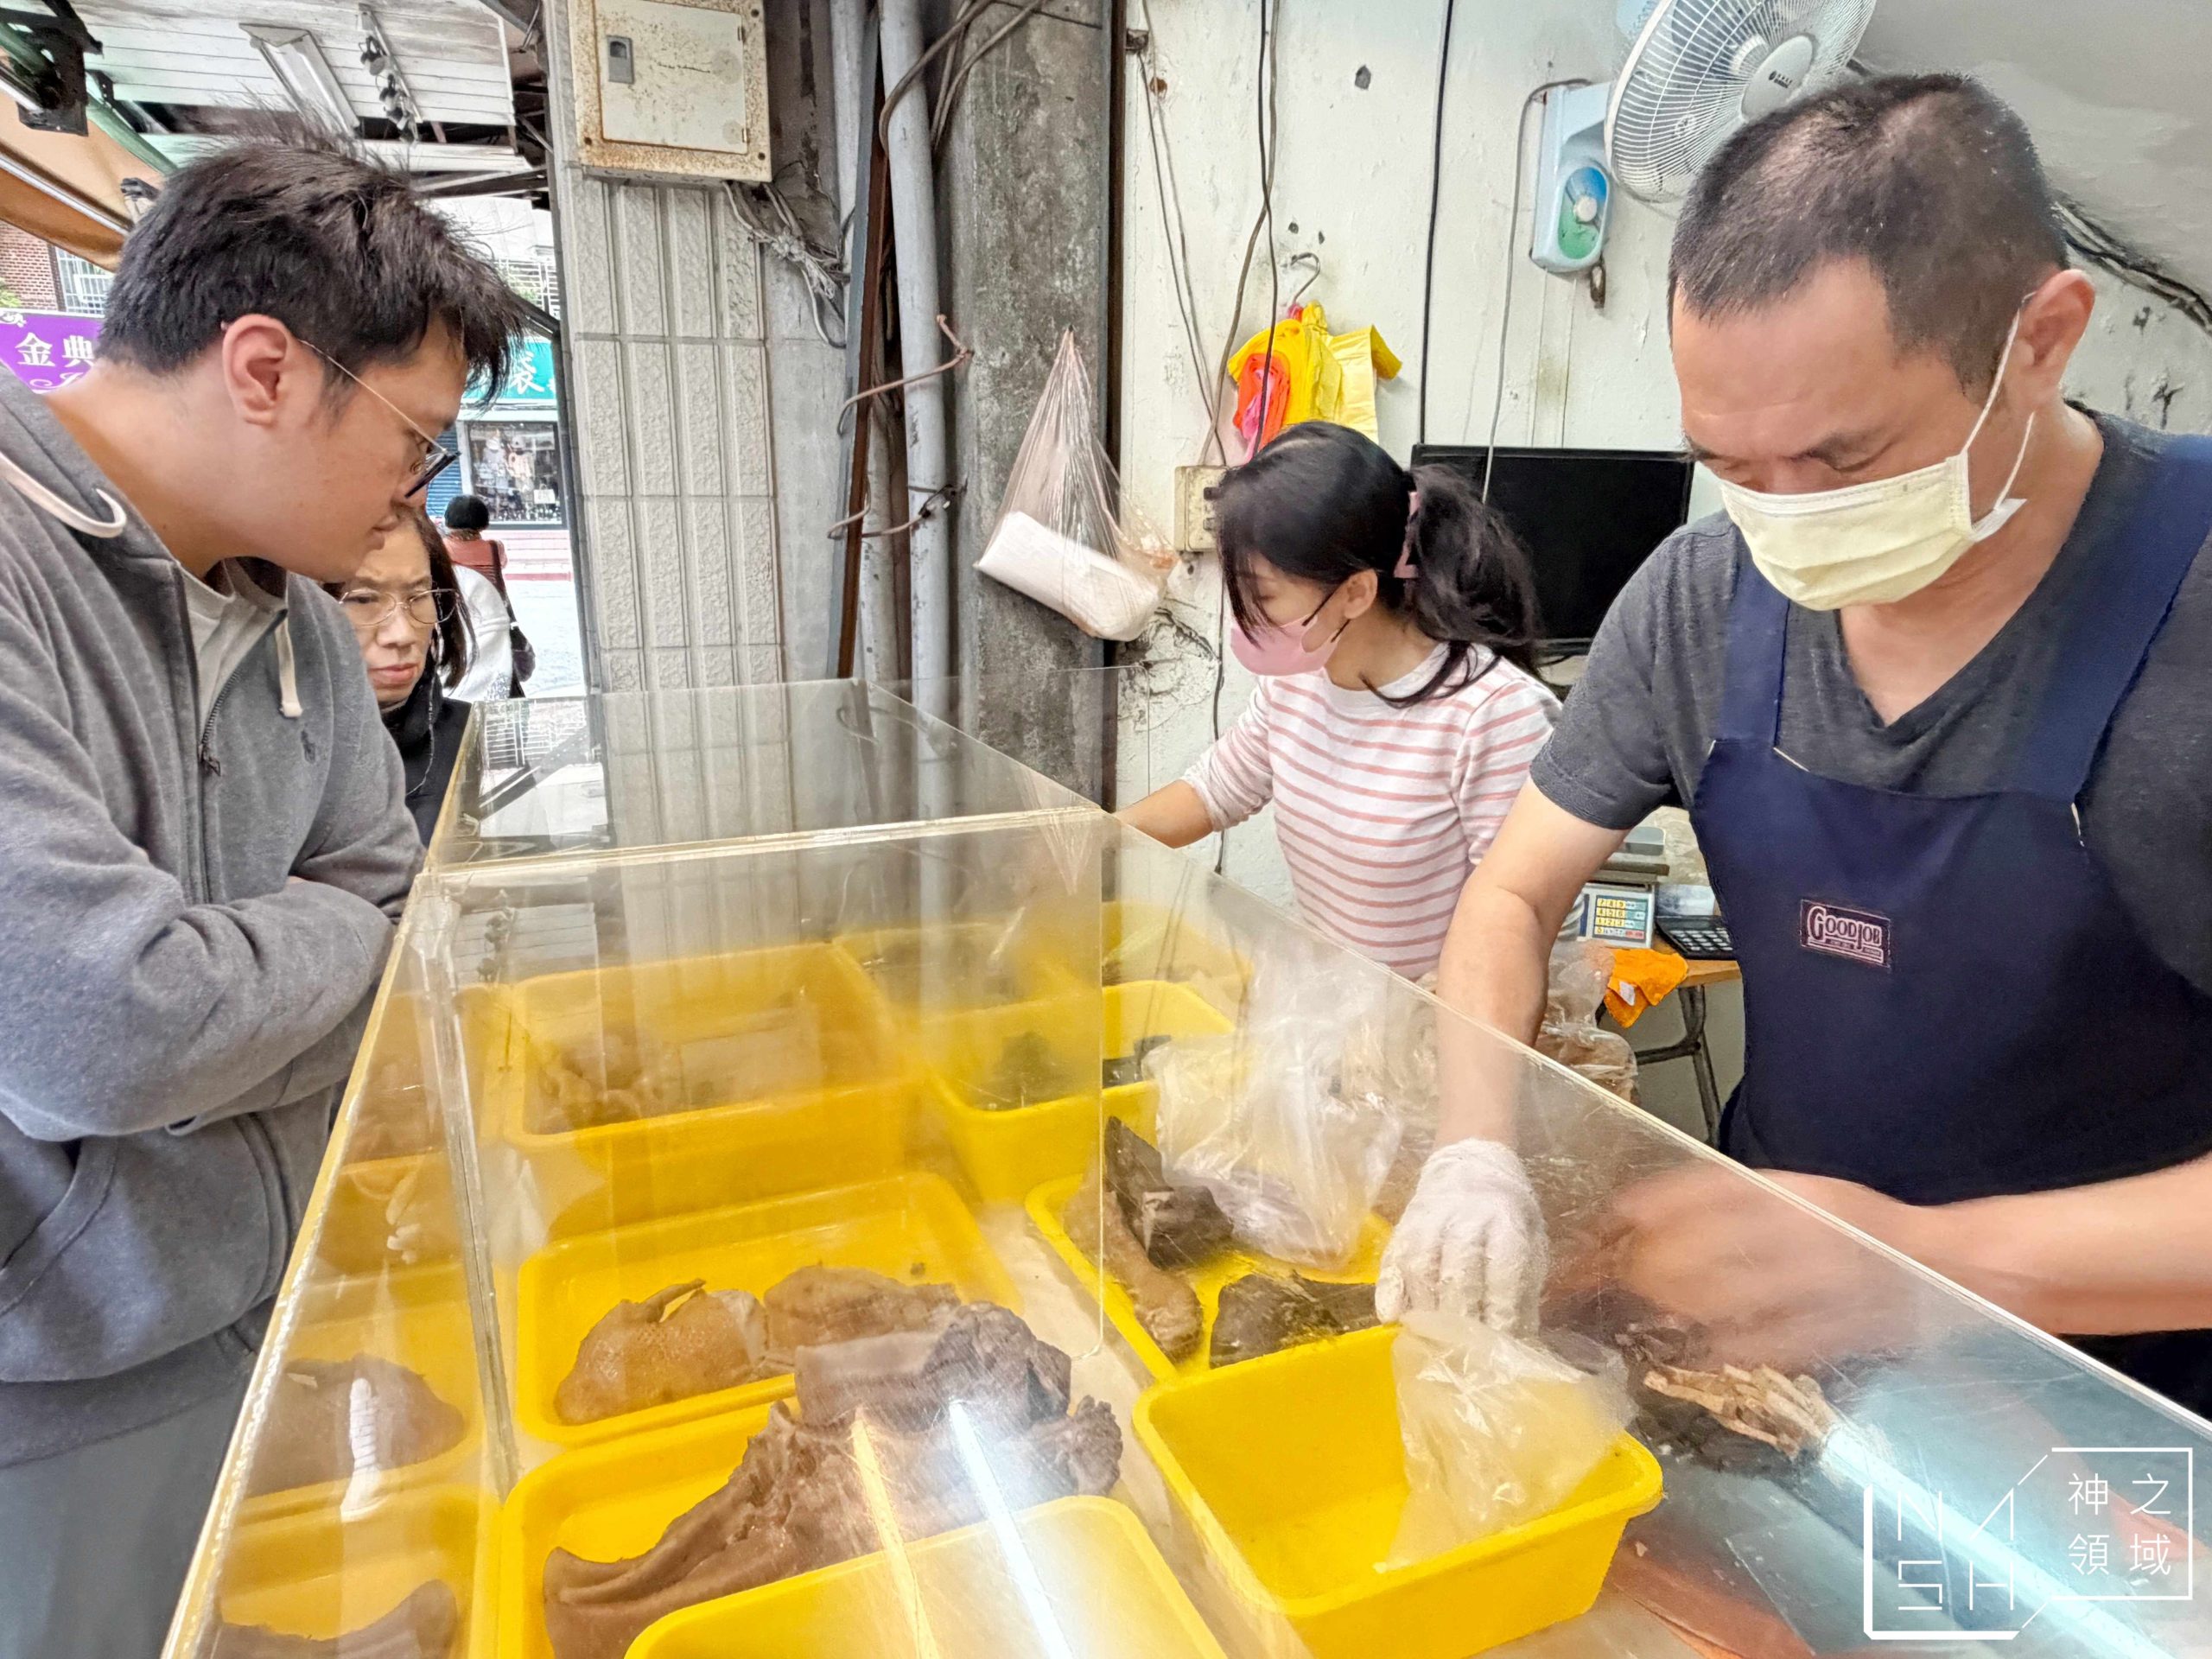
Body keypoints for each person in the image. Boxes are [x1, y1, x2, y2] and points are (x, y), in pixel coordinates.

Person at [1382, 73, 2212, 1413]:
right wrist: (1474, 1149)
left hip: (2125, 1393)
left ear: (2043, 339)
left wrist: (1930, 1264)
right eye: (1729, 462)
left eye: (1838, 460)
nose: (1782, 519)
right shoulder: (1701, 596)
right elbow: (1514, 892)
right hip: (1787, 1348)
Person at [0, 137, 521, 1658]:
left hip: (258, 1299)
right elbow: (102, 1026)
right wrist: (318, 961)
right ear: (263, 368)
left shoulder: (291, 612)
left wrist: (257, 984)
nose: (408, 493)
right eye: (411, 440)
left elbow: (388, 889)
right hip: (53, 1373)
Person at [1120, 422, 1558, 980]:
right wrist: (1089, 838)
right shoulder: (1297, 682)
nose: (1247, 616)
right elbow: (1213, 792)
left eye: (1264, 595)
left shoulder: (1490, 716)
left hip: (1433, 1034)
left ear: (1356, 592)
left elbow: (1523, 927)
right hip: (1331, 1019)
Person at [331, 506, 474, 841]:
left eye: (419, 596)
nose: (403, 634)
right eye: (363, 599)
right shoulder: (259, 764)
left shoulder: (472, 740)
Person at [443, 490, 531, 694]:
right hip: (494, 617)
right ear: (484, 522)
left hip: (459, 619)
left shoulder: (441, 548)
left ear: (448, 521)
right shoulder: (494, 548)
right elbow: (503, 565)